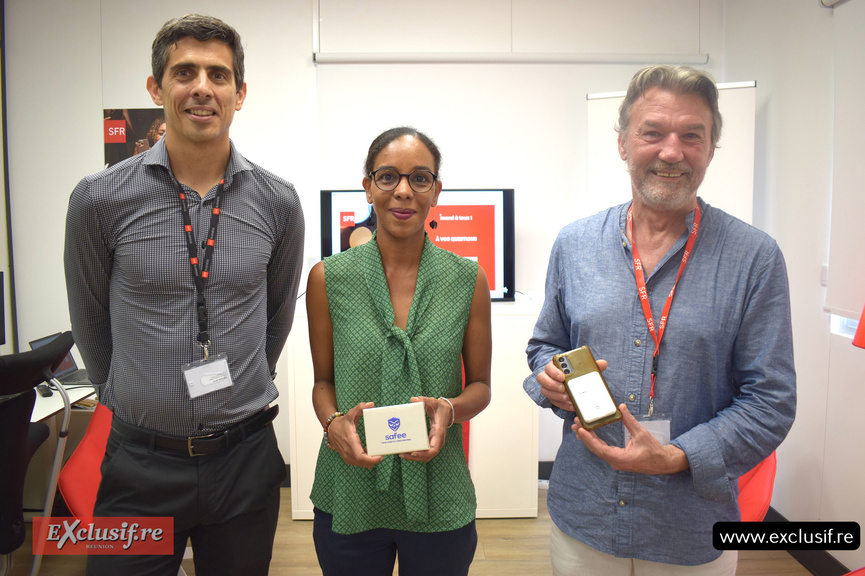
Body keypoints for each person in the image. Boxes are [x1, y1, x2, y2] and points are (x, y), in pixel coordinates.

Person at [524, 65, 796, 575]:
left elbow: (771, 401)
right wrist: (550, 376)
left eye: (692, 135)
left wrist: (678, 456)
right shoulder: (575, 245)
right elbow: (545, 345)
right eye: (653, 132)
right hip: (585, 515)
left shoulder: (754, 258)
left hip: (688, 526)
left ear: (710, 149)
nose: (672, 152)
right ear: (623, 143)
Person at [63, 14, 304, 576]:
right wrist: (135, 400)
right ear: (157, 87)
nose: (202, 87)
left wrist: (238, 385)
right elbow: (90, 319)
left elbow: (277, 315)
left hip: (244, 461)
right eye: (184, 72)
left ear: (239, 94)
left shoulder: (277, 202)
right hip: (140, 465)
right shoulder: (100, 199)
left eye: (218, 75)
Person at [306, 126, 492, 576]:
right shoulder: (328, 278)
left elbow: (481, 387)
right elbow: (323, 382)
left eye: (420, 178)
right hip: (350, 484)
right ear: (368, 186)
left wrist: (449, 409)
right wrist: (332, 423)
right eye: (388, 176)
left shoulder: (467, 280)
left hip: (439, 485)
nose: (404, 191)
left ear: (436, 191)